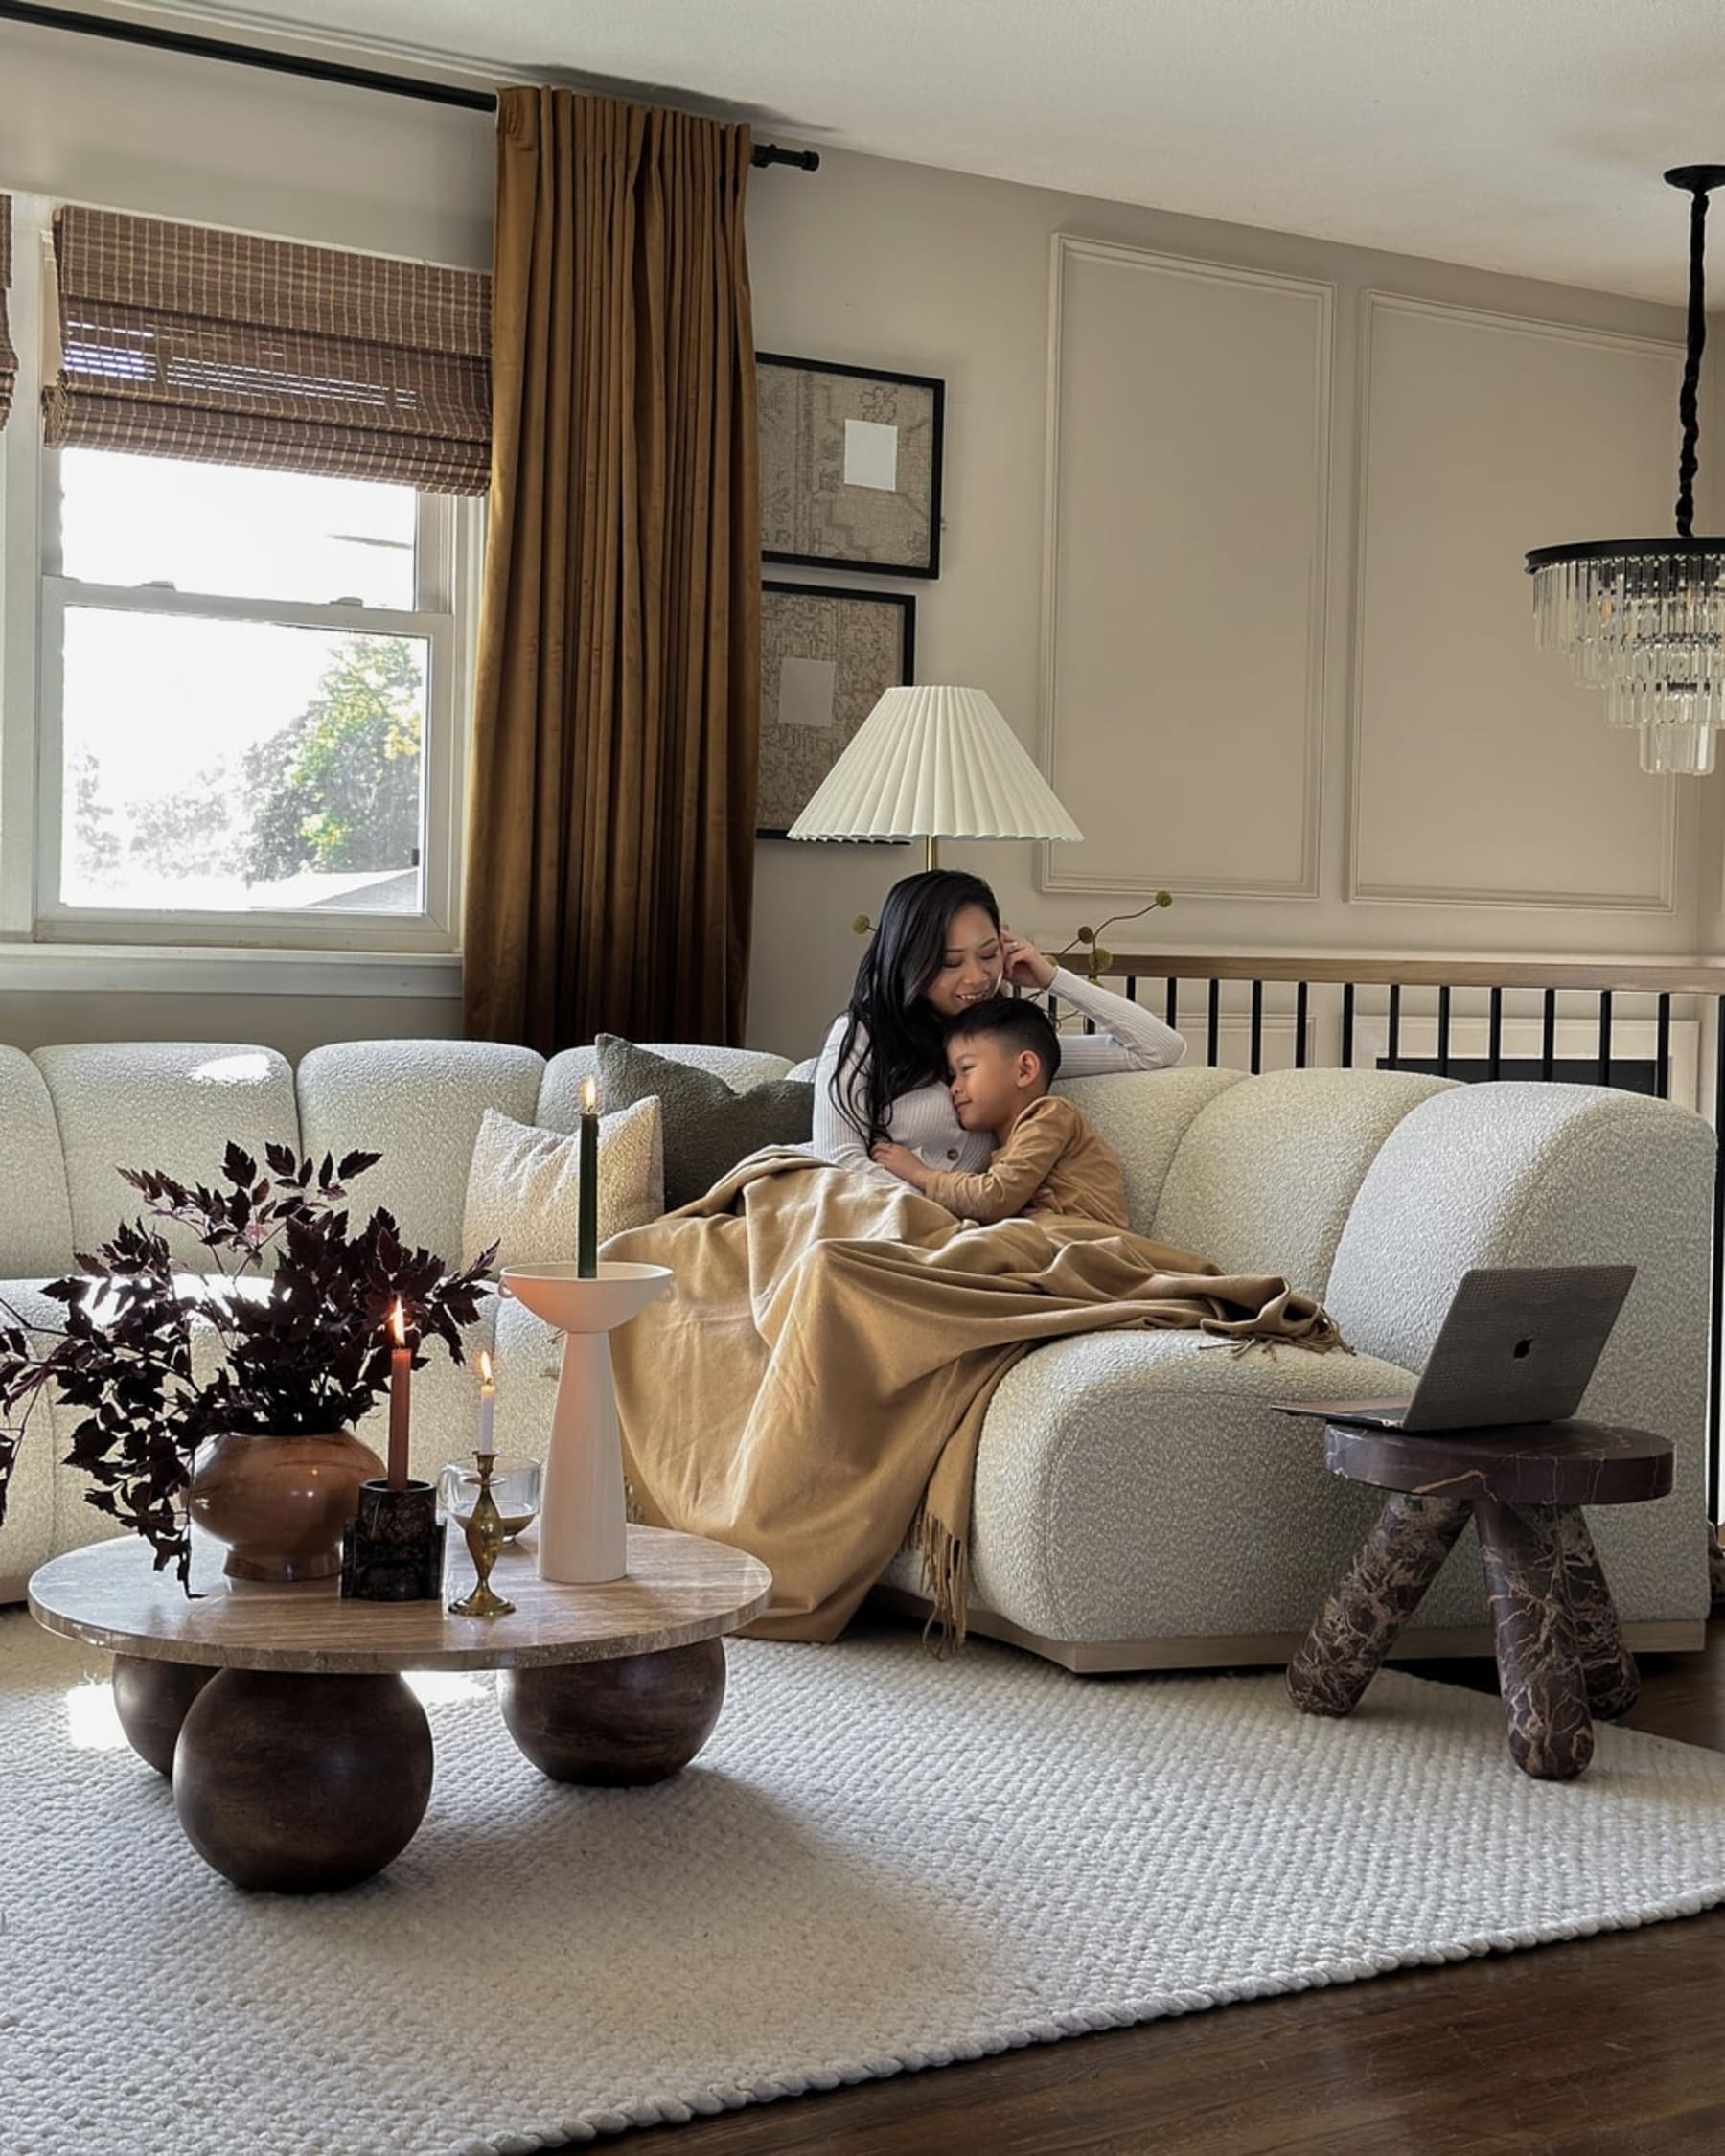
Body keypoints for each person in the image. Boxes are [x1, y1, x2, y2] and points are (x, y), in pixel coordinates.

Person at [813, 868, 1184, 1181]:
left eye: (989, 955)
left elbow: (1157, 1048)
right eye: (951, 963)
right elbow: (839, 1161)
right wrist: (937, 1212)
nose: (977, 977)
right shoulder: (863, 1034)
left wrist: (1053, 978)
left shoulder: (1008, 1049)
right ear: (909, 962)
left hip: (957, 1242)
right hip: (870, 1224)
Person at [870, 997, 1130, 1227]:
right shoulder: (1003, 1148)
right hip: (1047, 1249)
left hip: (1088, 1247)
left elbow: (994, 1197)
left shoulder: (1051, 1114)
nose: (954, 1088)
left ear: (1024, 1070)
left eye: (967, 1069)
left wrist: (920, 1174)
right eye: (951, 1077)